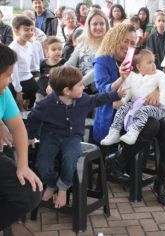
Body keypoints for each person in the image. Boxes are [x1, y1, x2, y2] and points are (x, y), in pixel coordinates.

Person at [93, 23, 165, 206]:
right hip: (114, 114)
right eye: (125, 41)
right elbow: (103, 91)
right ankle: (121, 161)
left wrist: (156, 90)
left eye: (132, 42)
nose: (129, 46)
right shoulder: (102, 61)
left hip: (140, 110)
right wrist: (122, 78)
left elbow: (156, 74)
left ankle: (160, 183)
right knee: (152, 125)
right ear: (115, 39)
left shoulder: (135, 58)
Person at [26, 66, 125, 208]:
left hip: (72, 137)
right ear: (67, 91)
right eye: (79, 85)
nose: (83, 86)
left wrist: (116, 94)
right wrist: (31, 136)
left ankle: (63, 186)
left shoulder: (83, 99)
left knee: (71, 156)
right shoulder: (45, 104)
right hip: (50, 137)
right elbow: (33, 118)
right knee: (42, 163)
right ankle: (52, 184)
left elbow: (98, 99)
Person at [0, 43, 42, 231]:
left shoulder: (4, 93)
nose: (10, 81)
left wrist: (23, 166)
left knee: (30, 193)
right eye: (7, 75)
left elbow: (18, 127)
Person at [100, 49, 165, 145]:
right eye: (149, 62)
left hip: (156, 108)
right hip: (137, 105)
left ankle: (134, 132)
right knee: (123, 108)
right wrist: (121, 100)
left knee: (144, 110)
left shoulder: (159, 75)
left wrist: (162, 101)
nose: (154, 65)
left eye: (154, 62)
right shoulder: (132, 76)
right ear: (139, 67)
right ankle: (114, 132)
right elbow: (127, 89)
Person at [65, 9, 109, 92]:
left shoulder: (110, 45)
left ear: (106, 25)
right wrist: (58, 76)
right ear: (89, 25)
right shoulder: (82, 42)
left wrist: (79, 84)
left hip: (98, 89)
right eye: (95, 24)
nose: (98, 27)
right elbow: (70, 63)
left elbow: (98, 70)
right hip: (78, 86)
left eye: (102, 24)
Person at [9, 16, 40, 110]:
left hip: (29, 79)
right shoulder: (13, 49)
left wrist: (37, 77)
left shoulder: (30, 45)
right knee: (19, 109)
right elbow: (14, 74)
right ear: (17, 31)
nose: (30, 33)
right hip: (18, 83)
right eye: (26, 30)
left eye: (31, 29)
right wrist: (18, 91)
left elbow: (34, 66)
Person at [37, 36, 66, 101]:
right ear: (47, 51)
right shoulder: (42, 63)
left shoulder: (64, 63)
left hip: (58, 91)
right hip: (43, 91)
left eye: (60, 49)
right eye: (54, 49)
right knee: (39, 100)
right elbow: (40, 78)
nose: (57, 52)